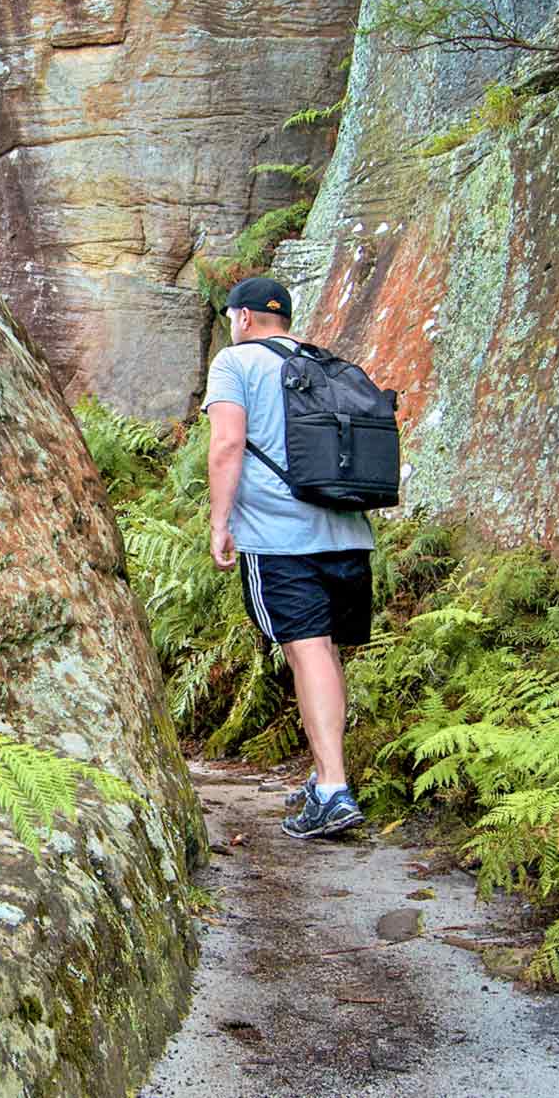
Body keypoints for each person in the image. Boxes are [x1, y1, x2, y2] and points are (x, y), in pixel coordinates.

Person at [201, 276, 374, 839]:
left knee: (308, 653)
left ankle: (332, 789)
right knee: (323, 654)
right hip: (346, 530)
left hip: (281, 538)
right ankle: (330, 776)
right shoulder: (322, 362)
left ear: (243, 317)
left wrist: (220, 522)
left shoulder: (236, 362)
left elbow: (227, 443)